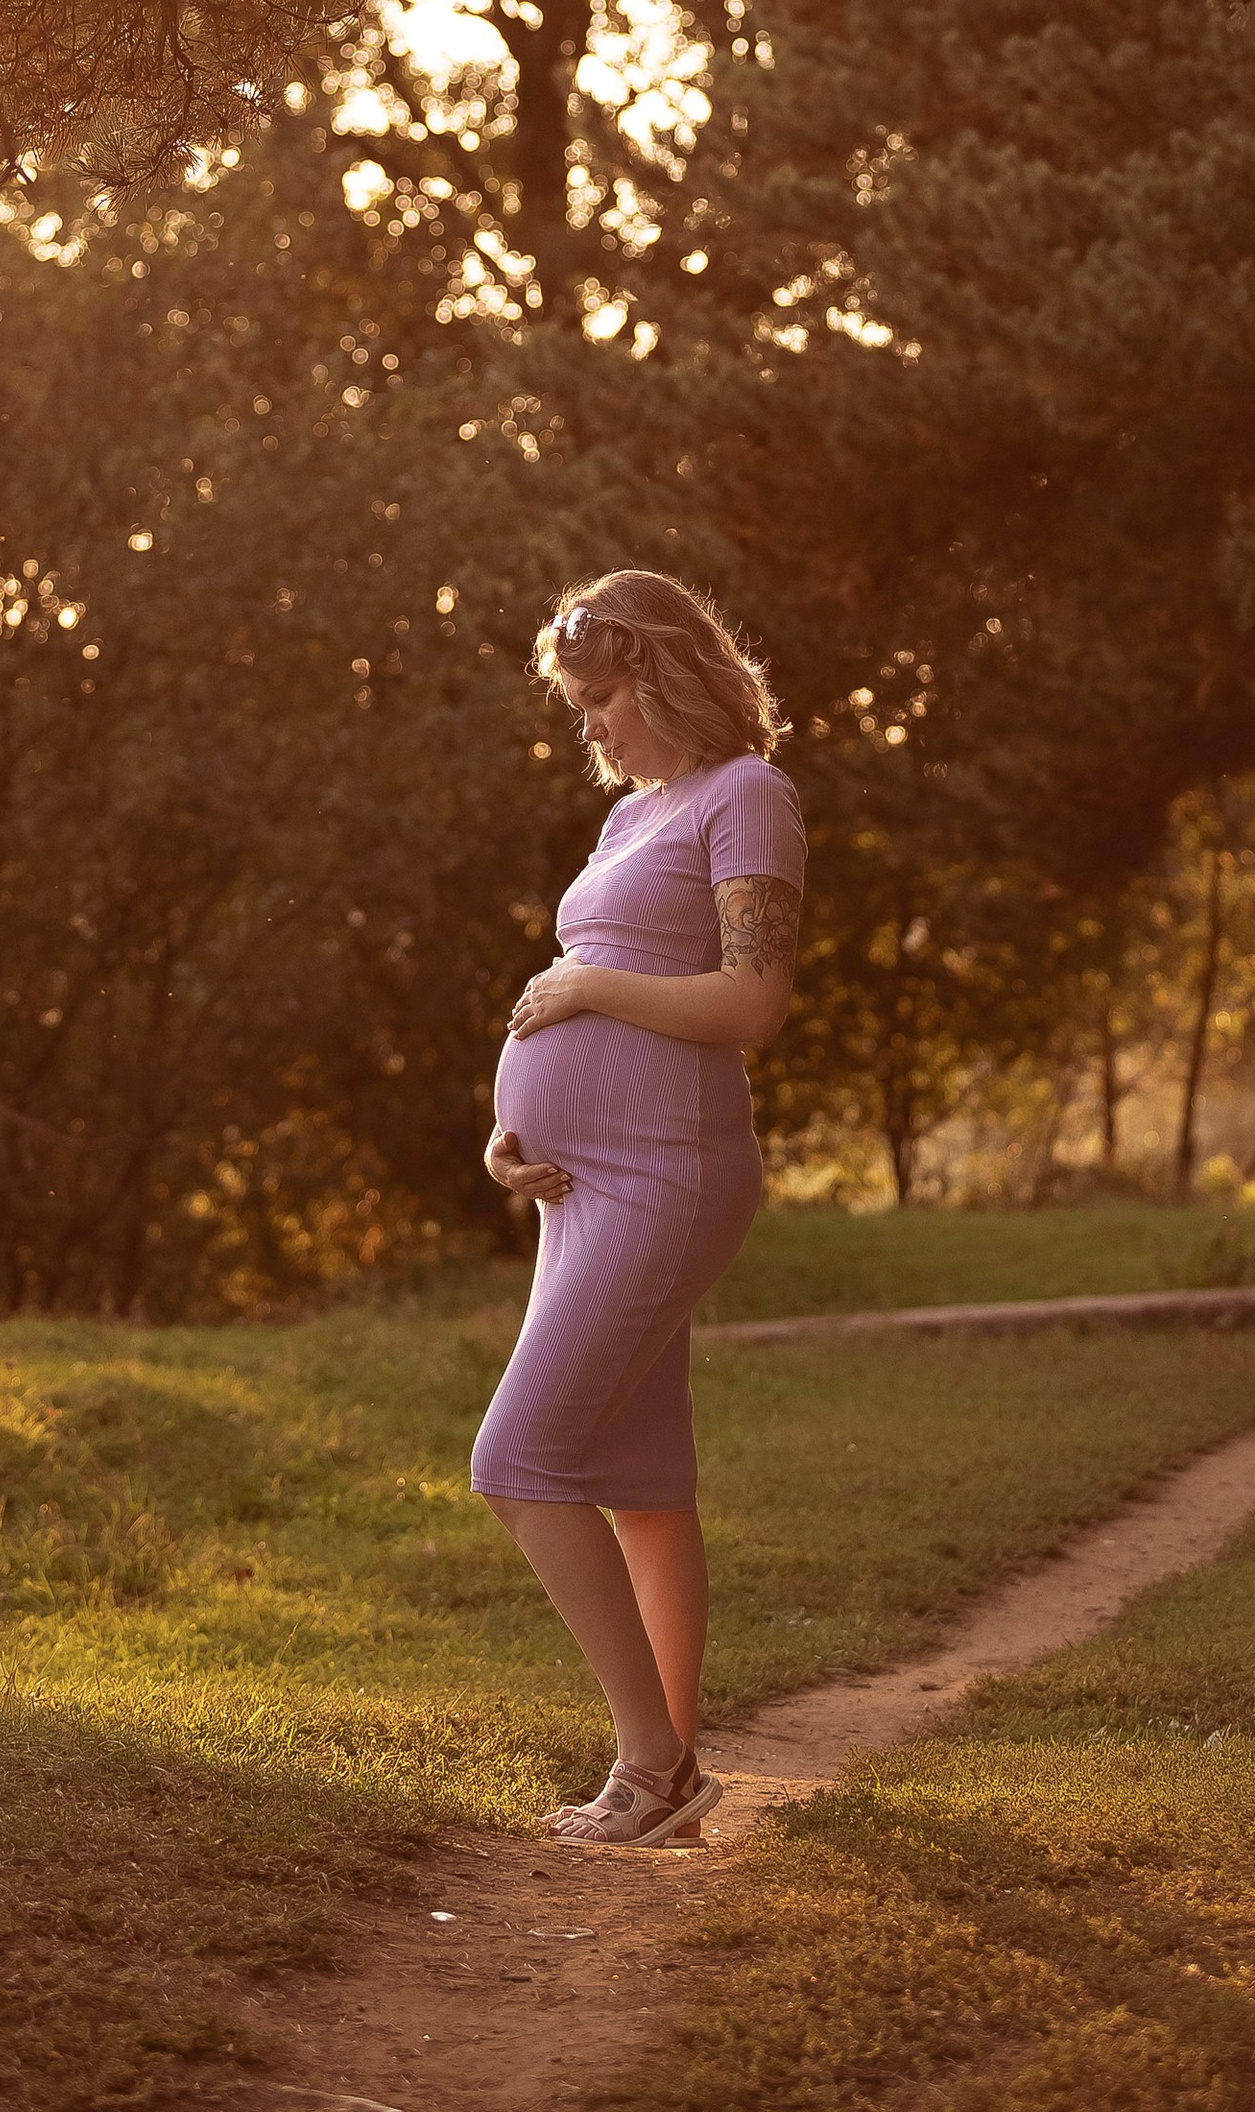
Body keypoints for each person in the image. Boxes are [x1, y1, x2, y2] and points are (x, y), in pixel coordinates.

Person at [472, 568, 805, 1847]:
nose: (592, 729)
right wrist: (511, 1134)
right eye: (579, 705)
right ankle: (672, 1754)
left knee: (518, 1461)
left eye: (604, 698)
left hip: (669, 1174)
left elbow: (750, 1005)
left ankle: (651, 1764)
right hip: (581, 1184)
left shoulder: (748, 798)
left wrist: (587, 1000)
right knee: (643, 1482)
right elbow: (589, 986)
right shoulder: (633, 818)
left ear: (665, 675)